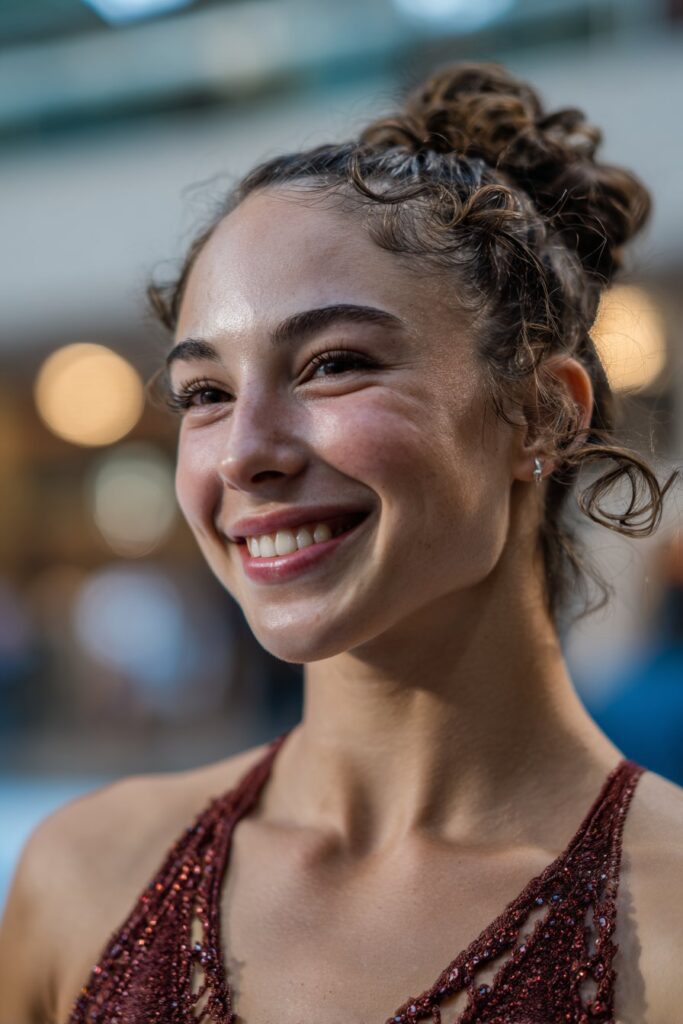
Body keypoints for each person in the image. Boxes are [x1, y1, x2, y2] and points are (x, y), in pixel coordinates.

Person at [1, 61, 681, 1024]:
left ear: (540, 414)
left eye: (332, 365)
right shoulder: (82, 878)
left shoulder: (666, 919)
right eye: (205, 393)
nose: (243, 455)